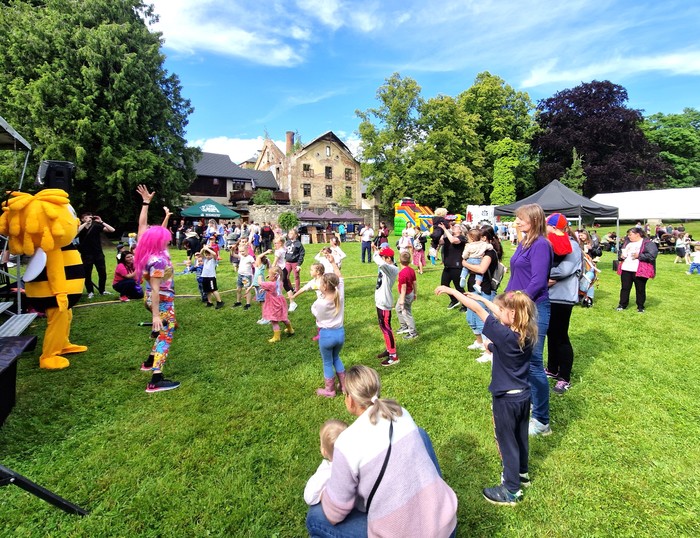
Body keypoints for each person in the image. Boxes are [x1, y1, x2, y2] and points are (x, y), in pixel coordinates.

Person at [306, 365, 458, 537]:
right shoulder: (400, 413)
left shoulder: (347, 442)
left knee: (315, 517)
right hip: (445, 527)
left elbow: (334, 514)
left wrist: (326, 488)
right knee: (420, 434)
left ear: (350, 399)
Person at [435, 287, 536, 505]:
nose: (498, 313)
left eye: (502, 311)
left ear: (512, 314)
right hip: (523, 396)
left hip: (506, 400)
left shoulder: (505, 336)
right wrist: (483, 298)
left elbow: (477, 311)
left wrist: (452, 291)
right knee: (520, 437)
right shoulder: (527, 333)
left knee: (507, 443)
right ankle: (522, 474)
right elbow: (499, 313)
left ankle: (511, 490)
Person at [505, 204, 553, 437]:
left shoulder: (541, 244)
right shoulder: (524, 242)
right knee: (521, 359)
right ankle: (531, 404)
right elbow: (516, 275)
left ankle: (542, 421)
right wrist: (505, 300)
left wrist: (517, 302)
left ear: (534, 220)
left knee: (533, 363)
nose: (517, 222)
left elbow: (538, 281)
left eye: (521, 219)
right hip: (517, 307)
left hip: (533, 308)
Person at [134, 185, 179, 393]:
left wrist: (146, 204)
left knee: (163, 332)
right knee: (165, 335)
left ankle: (149, 361)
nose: (168, 238)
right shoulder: (159, 261)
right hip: (161, 300)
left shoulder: (146, 251)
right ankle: (156, 379)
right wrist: (155, 316)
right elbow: (154, 289)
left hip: (152, 298)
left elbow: (142, 227)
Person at [543, 214, 582, 394]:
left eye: (546, 226)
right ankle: (552, 368)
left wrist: (542, 272)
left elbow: (565, 269)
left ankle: (564, 377)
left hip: (563, 297)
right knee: (551, 333)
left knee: (560, 336)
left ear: (553, 228)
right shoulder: (552, 243)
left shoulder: (572, 245)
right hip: (550, 295)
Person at [461, 225, 503, 363]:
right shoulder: (477, 252)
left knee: (483, 321)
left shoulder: (489, 253)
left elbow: (481, 269)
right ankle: (479, 342)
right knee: (471, 318)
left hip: (485, 290)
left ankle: (489, 350)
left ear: (484, 238)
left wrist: (465, 264)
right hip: (473, 288)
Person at [311, 254, 347, 397]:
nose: (318, 285)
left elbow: (316, 314)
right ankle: (344, 387)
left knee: (327, 362)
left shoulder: (319, 303)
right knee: (336, 358)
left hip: (326, 336)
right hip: (340, 334)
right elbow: (340, 277)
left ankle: (330, 390)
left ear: (325, 286)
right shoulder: (340, 294)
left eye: (320, 283)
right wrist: (333, 263)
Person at [304, 420, 349, 506]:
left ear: (324, 451)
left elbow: (309, 497)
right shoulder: (362, 463)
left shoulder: (325, 473)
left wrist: (323, 495)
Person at [616, 227, 658, 313]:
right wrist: (621, 256)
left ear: (637, 234)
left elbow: (652, 256)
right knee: (625, 288)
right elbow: (621, 252)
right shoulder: (627, 242)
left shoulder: (648, 243)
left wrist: (639, 256)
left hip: (640, 270)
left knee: (640, 289)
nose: (628, 236)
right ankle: (622, 305)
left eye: (630, 234)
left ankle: (640, 306)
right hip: (626, 268)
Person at [77, 212, 115, 298]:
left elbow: (112, 230)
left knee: (102, 273)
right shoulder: (81, 227)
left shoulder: (96, 226)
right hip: (86, 254)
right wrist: (85, 223)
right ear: (82, 219)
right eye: (86, 218)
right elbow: (76, 232)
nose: (89, 219)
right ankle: (90, 291)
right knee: (87, 274)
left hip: (98, 253)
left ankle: (102, 290)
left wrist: (101, 222)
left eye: (90, 217)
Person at [373, 245, 400, 366]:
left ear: (389, 258)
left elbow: (379, 262)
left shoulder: (392, 269)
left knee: (387, 328)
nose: (381, 259)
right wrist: (377, 252)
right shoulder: (387, 266)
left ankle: (393, 356)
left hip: (385, 303)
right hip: (380, 301)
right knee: (383, 327)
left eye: (383, 257)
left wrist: (376, 252)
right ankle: (389, 349)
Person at [259, 266, 294, 342]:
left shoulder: (271, 284)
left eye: (269, 274)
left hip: (274, 304)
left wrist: (259, 275)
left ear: (274, 276)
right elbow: (272, 288)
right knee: (284, 318)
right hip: (280, 302)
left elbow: (260, 283)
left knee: (274, 321)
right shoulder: (280, 282)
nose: (268, 276)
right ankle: (290, 329)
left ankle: (277, 337)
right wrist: (265, 289)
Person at [438, 221, 468, 310]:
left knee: (459, 287)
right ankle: (454, 300)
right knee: (444, 284)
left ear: (460, 230)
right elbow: (440, 242)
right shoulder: (449, 237)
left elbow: (453, 241)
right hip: (447, 266)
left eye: (456, 227)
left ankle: (466, 305)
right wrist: (440, 232)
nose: (454, 227)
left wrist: (445, 229)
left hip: (457, 266)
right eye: (453, 226)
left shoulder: (462, 238)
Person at [459, 228, 494, 293]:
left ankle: (463, 277)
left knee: (465, 269)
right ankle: (477, 284)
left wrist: (464, 259)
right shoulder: (483, 244)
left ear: (472, 238)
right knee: (479, 274)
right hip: (478, 260)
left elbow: (465, 254)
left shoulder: (469, 245)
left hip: (470, 259)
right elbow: (490, 247)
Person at [395, 251, 418, 340]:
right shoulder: (411, 270)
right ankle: (404, 327)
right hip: (410, 293)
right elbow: (414, 283)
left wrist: (402, 299)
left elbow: (403, 287)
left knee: (407, 313)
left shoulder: (402, 273)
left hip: (406, 296)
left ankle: (413, 333)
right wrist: (415, 293)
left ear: (399, 260)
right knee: (398, 309)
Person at [233, 243, 255, 310]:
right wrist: (232, 249)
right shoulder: (241, 255)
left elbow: (255, 265)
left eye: (243, 251)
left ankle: (248, 304)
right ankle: (238, 302)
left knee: (247, 289)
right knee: (238, 289)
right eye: (240, 251)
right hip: (240, 275)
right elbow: (233, 254)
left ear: (247, 250)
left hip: (246, 276)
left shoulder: (250, 258)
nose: (241, 253)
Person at [283, 229, 305, 295]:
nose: (290, 234)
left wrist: (298, 264)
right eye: (289, 233)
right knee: (286, 276)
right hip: (288, 262)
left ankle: (297, 289)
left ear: (295, 235)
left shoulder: (299, 244)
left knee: (296, 276)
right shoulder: (287, 243)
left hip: (295, 262)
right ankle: (290, 288)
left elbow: (302, 254)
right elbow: (284, 251)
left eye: (292, 233)